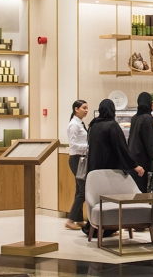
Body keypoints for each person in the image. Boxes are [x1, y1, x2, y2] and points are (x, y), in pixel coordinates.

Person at [83, 99, 144, 237]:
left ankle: (94, 226)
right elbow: (121, 148)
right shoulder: (112, 125)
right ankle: (108, 227)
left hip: (94, 167)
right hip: (108, 167)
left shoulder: (94, 124)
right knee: (110, 198)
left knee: (98, 198)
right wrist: (134, 165)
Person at [128, 92, 153, 192]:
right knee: (145, 190)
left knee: (136, 190)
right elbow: (151, 142)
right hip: (144, 161)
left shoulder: (134, 118)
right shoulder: (147, 118)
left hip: (134, 161)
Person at [65, 99, 88, 230]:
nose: (86, 110)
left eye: (87, 108)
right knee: (84, 190)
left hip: (81, 158)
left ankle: (78, 219)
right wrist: (89, 147)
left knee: (79, 189)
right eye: (84, 108)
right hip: (77, 159)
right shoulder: (74, 125)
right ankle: (70, 219)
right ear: (76, 109)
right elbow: (73, 144)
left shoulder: (80, 123)